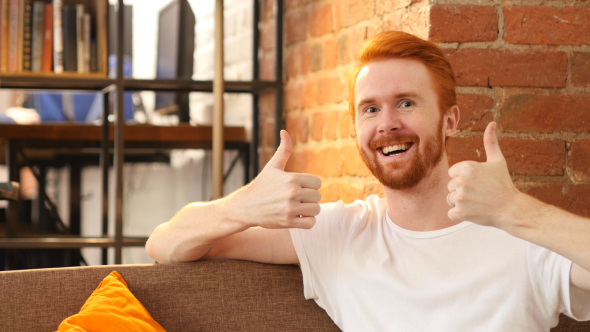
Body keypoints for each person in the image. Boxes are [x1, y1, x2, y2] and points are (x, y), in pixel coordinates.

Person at [146, 31, 590, 331]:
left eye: (406, 103)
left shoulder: (523, 237)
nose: (387, 124)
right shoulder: (337, 234)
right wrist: (240, 207)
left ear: (450, 120)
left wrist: (514, 211)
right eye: (370, 109)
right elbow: (165, 244)